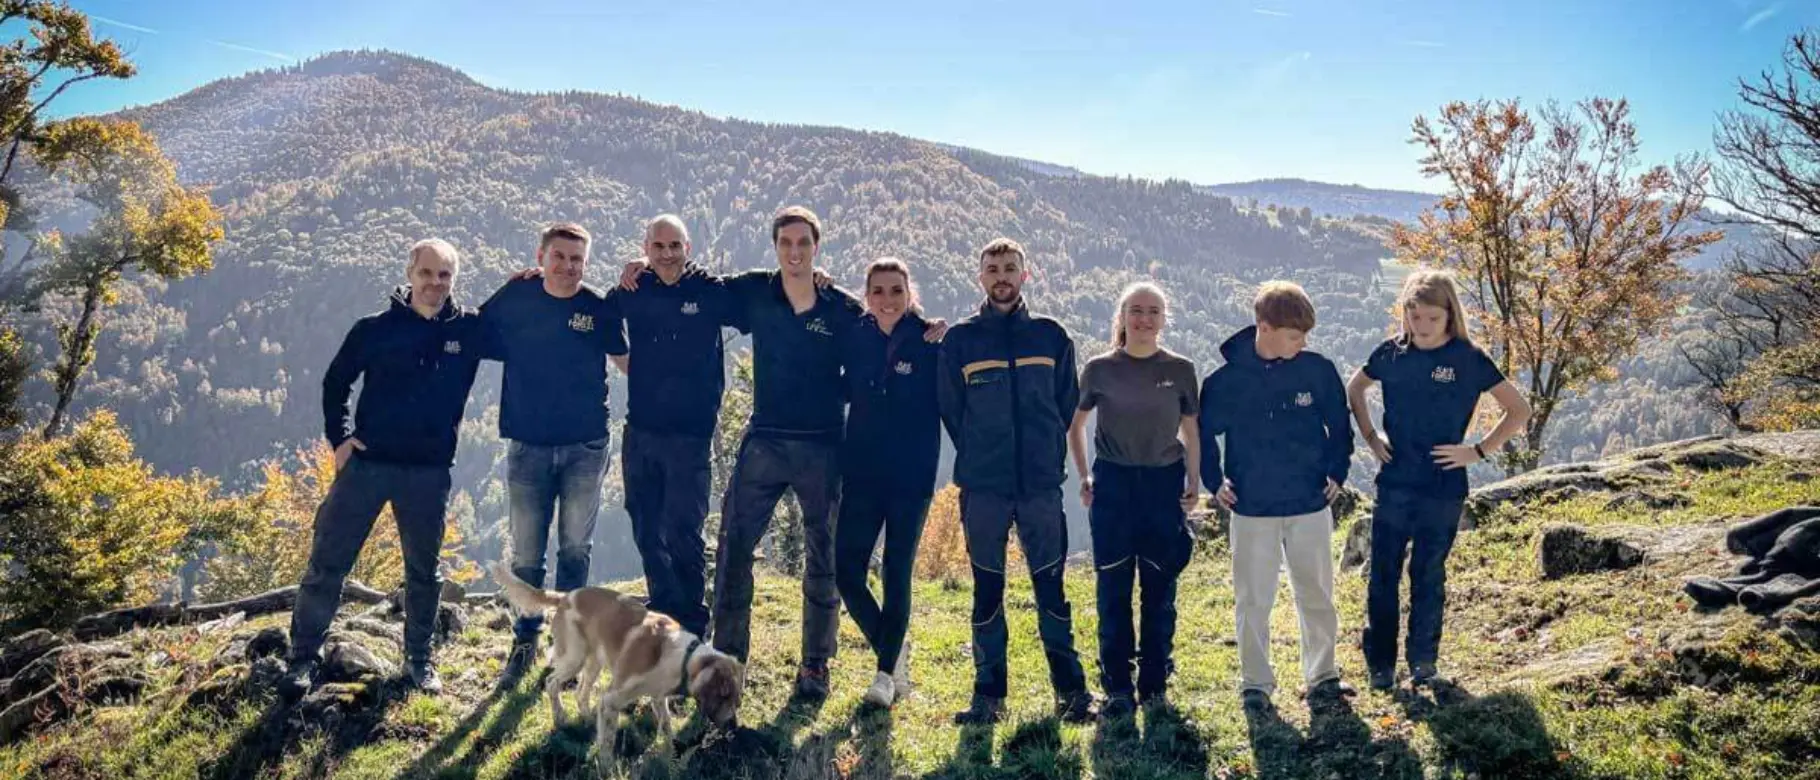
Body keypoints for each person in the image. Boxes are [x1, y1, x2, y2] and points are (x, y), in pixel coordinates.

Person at [283, 239, 485, 698]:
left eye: (445, 276)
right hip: (368, 465)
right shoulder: (374, 329)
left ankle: (419, 661)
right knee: (328, 562)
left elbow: (525, 326)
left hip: (429, 471)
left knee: (423, 571)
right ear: (410, 273)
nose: (435, 284)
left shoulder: (471, 330)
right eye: (427, 273)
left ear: (454, 280)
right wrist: (339, 439)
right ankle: (302, 659)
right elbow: (336, 381)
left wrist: (528, 280)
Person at [1348, 269, 1530, 690]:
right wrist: (1372, 437)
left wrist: (1478, 450)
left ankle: (1423, 663)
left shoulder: (1469, 358)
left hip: (1443, 486)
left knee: (1429, 573)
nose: (1423, 327)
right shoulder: (1392, 354)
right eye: (1415, 317)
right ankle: (1381, 667)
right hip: (1394, 481)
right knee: (1383, 574)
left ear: (1450, 315)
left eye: (1432, 318)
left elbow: (1517, 409)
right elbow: (1355, 390)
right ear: (1406, 314)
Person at [939, 237, 1096, 725]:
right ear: (980, 278)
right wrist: (982, 450)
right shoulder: (960, 341)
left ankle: (1071, 694)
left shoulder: (1051, 337)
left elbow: (1066, 403)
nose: (1001, 276)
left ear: (1025, 275)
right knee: (987, 590)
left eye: (1010, 268)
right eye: (992, 269)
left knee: (1050, 586)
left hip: (1040, 485)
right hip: (983, 486)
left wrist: (1045, 451)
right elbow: (951, 410)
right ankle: (988, 698)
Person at [480, 222, 629, 678]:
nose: (568, 266)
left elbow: (627, 362)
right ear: (541, 256)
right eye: (559, 257)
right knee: (526, 553)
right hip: (527, 446)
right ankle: (524, 638)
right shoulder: (517, 298)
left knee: (574, 549)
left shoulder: (596, 308)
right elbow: (474, 332)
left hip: (585, 446)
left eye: (577, 259)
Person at [1199, 281, 1355, 714]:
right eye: (1293, 334)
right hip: (1251, 506)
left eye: (1304, 335)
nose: (1302, 342)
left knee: (1317, 594)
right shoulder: (1224, 381)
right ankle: (1255, 684)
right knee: (1253, 598)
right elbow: (1203, 435)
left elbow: (1340, 428)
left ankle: (1323, 677)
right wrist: (1215, 482)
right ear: (1264, 327)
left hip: (1309, 502)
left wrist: (1337, 473)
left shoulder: (1317, 370)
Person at [1065, 282, 1200, 719]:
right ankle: (1118, 686)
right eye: (1136, 311)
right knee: (1114, 586)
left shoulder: (1180, 369)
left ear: (1165, 319)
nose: (1144, 319)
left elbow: (1192, 432)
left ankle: (1155, 681)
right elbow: (1076, 426)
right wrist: (1085, 475)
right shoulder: (1100, 368)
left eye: (1154, 311)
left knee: (1160, 585)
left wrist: (1194, 483)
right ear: (1122, 317)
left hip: (1164, 483)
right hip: (1115, 484)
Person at [608, 214, 744, 638]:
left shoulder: (709, 292)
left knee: (682, 528)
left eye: (675, 246)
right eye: (658, 247)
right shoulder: (633, 289)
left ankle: (693, 622)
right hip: (641, 429)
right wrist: (624, 359)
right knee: (644, 523)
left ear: (689, 249)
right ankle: (664, 607)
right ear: (646, 249)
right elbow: (598, 317)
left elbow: (763, 294)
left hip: (690, 435)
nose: (667, 255)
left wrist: (817, 279)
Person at [835, 258, 941, 708]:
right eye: (878, 290)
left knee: (895, 572)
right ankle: (894, 653)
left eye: (896, 290)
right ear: (866, 294)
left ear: (909, 292)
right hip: (860, 471)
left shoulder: (928, 340)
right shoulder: (855, 335)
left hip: (910, 477)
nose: (887, 299)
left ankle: (884, 677)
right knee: (847, 573)